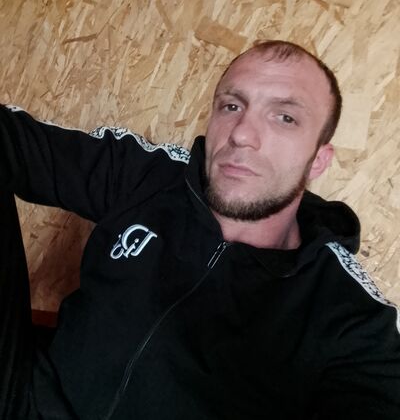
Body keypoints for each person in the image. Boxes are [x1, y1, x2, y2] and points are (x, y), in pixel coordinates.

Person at [0, 40, 399, 419]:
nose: (241, 134)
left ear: (319, 160)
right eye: (231, 105)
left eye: (285, 117)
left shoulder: (348, 312)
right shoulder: (151, 175)